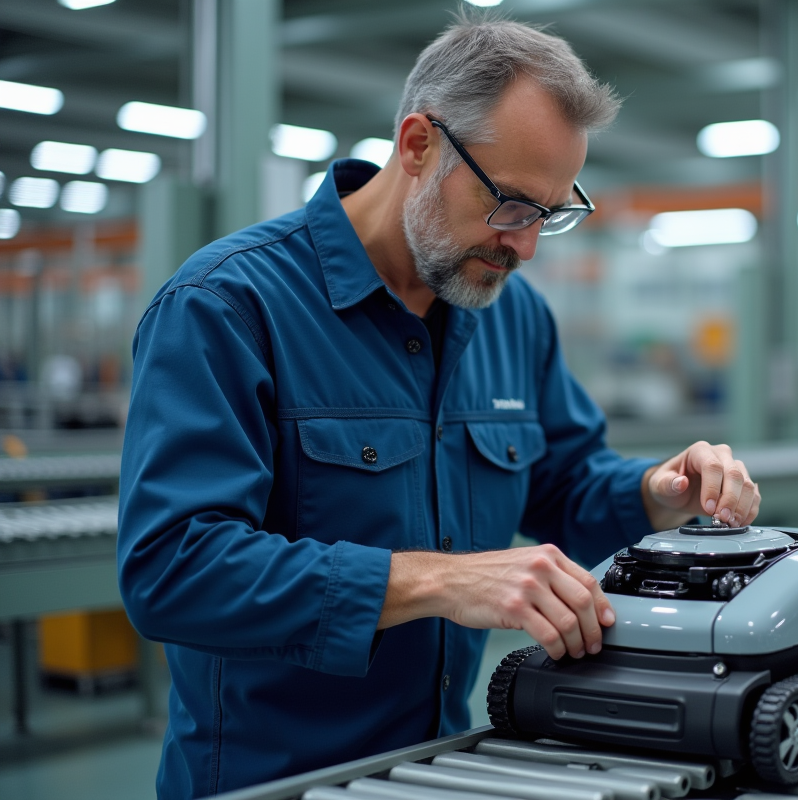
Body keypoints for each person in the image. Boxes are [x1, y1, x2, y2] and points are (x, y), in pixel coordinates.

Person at [117, 18, 761, 799]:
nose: (526, 248)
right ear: (418, 145)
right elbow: (172, 568)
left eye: (552, 213)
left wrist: (657, 491)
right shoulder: (227, 306)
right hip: (269, 782)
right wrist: (434, 583)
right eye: (512, 204)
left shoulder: (509, 313)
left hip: (443, 770)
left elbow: (559, 482)